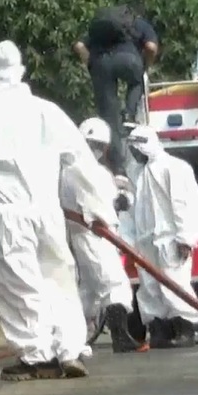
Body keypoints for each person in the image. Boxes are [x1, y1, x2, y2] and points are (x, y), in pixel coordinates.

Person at [0, 40, 95, 381]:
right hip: (47, 210)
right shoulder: (47, 111)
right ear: (19, 70)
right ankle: (69, 350)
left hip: (9, 212)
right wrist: (93, 206)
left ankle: (38, 357)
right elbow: (80, 160)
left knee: (18, 284)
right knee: (58, 279)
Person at [64, 117, 144, 354]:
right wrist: (116, 204)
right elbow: (98, 207)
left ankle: (71, 339)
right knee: (114, 283)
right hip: (95, 233)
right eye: (92, 144)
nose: (95, 149)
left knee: (88, 290)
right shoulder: (84, 169)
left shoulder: (73, 168)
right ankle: (120, 337)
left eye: (98, 145)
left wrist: (120, 197)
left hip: (87, 233)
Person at [125, 125, 198, 349]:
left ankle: (184, 329)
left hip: (170, 240)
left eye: (136, 148)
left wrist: (186, 238)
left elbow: (185, 204)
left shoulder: (174, 167)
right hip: (146, 241)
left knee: (175, 284)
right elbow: (131, 211)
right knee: (150, 287)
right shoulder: (137, 172)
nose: (134, 154)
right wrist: (129, 242)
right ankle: (160, 330)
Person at [73, 6, 159, 174]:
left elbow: (79, 45)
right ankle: (129, 113)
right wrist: (145, 67)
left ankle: (117, 166)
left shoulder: (100, 28)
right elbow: (151, 47)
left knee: (110, 119)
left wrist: (89, 63)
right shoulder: (139, 24)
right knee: (137, 80)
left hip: (101, 64)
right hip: (128, 60)